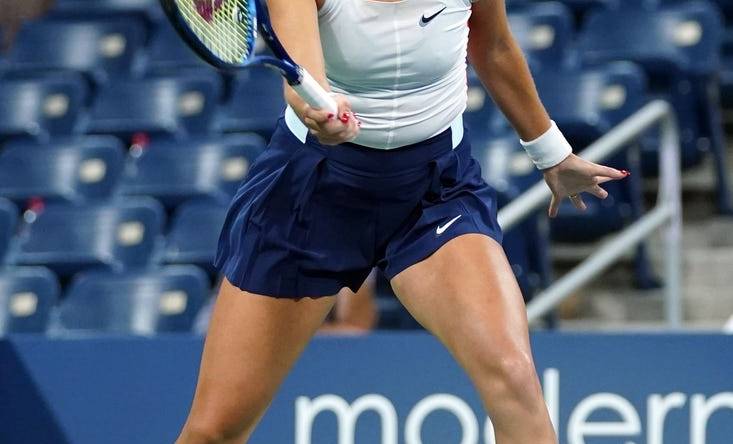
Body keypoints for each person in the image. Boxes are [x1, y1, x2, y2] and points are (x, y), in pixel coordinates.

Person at [176, 1, 629, 443]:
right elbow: (302, 85)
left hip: (435, 191)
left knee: (513, 376)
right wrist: (321, 116)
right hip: (314, 192)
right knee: (216, 430)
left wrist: (552, 154)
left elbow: (491, 45)